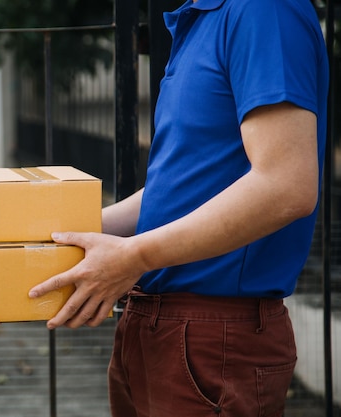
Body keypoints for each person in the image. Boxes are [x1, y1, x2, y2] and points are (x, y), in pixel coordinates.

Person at [29, 0, 329, 416]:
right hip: (158, 328)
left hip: (212, 337)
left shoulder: (262, 10)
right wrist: (64, 235)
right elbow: (175, 190)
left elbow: (286, 185)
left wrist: (135, 254)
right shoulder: (203, 17)